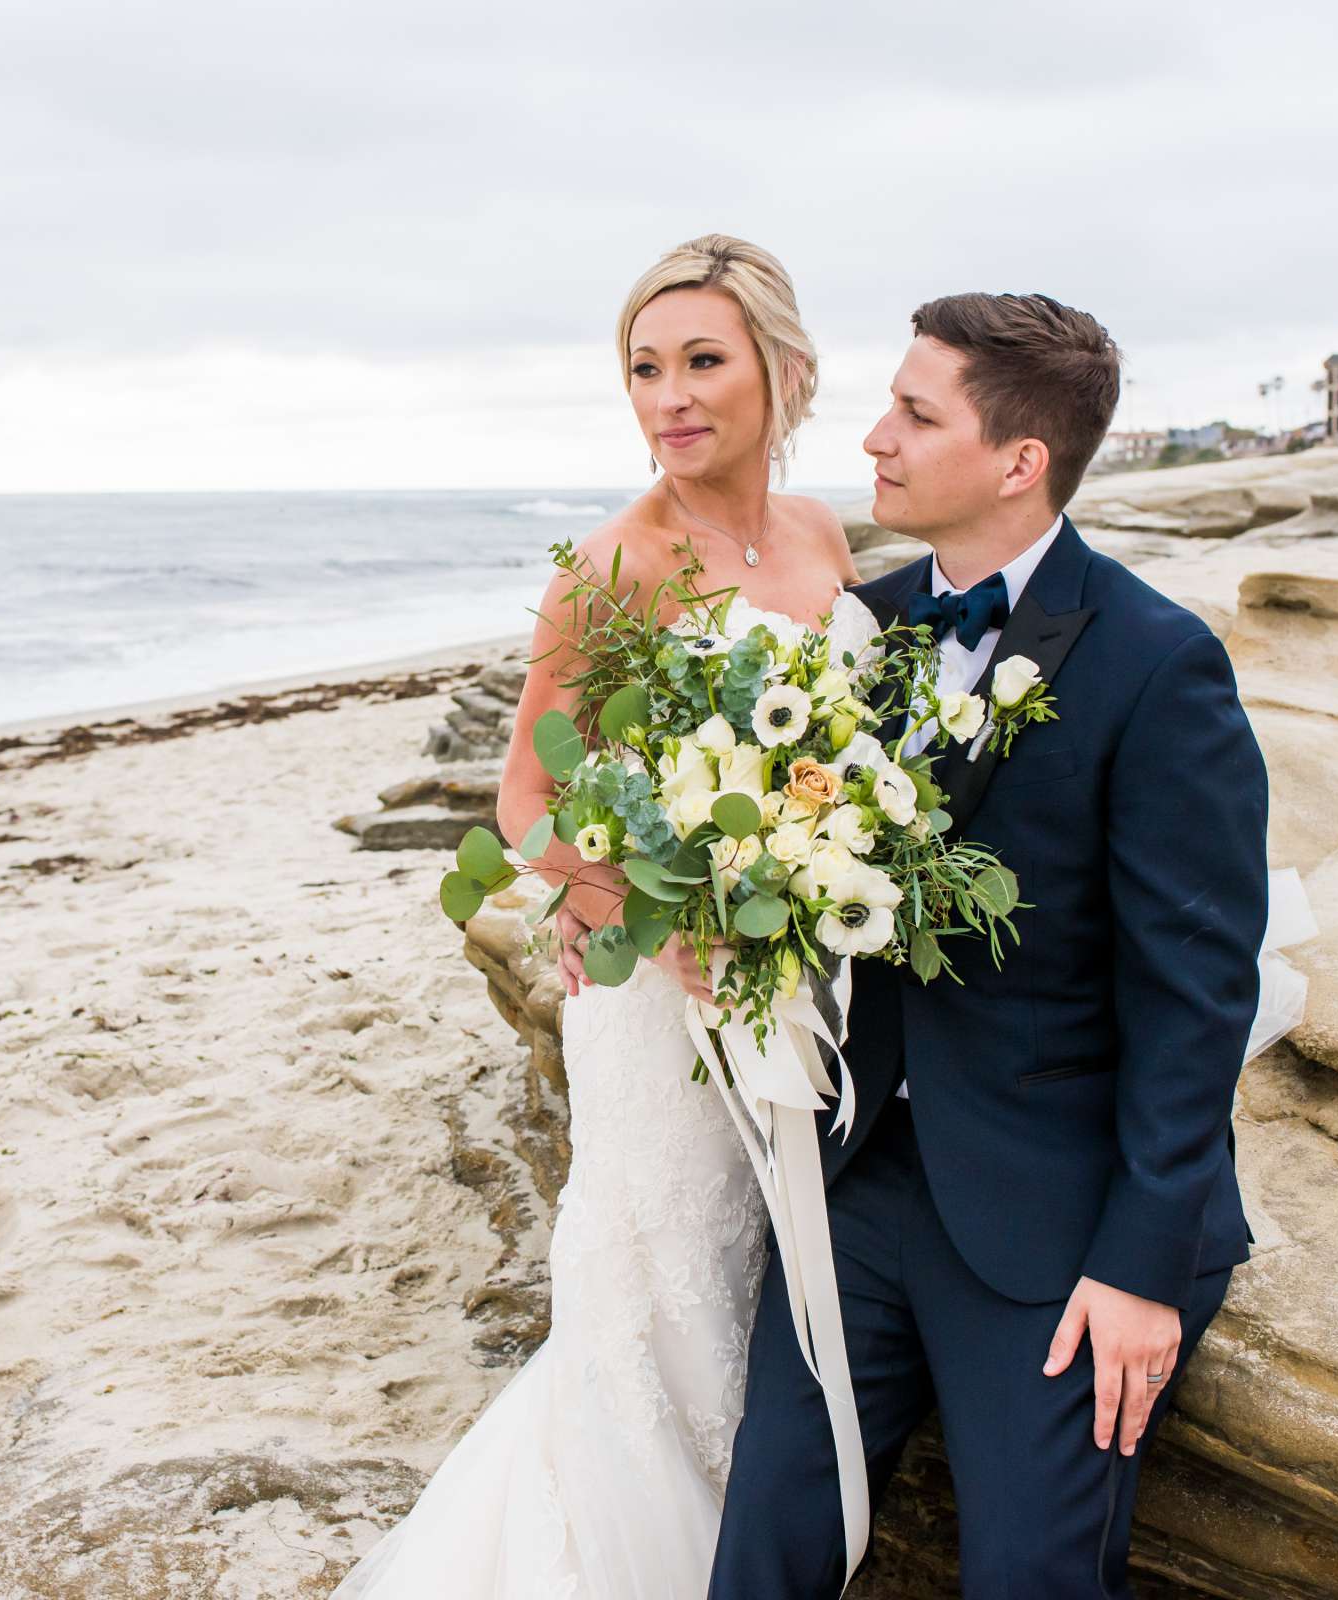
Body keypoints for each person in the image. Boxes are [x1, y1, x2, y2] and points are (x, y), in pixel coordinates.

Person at [706, 292, 1289, 1599]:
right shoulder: (864, 630)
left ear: (1020, 463)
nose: (873, 439)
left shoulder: (1157, 666)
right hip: (859, 1181)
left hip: (1058, 1212)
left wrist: (1140, 1268)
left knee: (1034, 1575)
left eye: (916, 415)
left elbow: (1200, 995)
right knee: (761, 1548)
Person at [329, 232, 856, 1599]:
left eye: (701, 362)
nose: (669, 395)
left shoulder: (821, 537)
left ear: (782, 375)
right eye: (643, 369)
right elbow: (524, 797)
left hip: (793, 965)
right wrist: (616, 890)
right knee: (658, 1268)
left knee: (771, 1269)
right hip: (659, 986)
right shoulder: (612, 566)